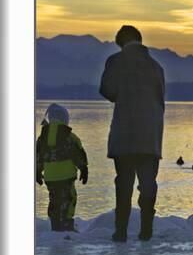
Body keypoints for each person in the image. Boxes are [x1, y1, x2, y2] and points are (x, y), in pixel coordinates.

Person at [99, 25, 165, 242]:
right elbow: (160, 103)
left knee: (124, 185)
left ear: (121, 42)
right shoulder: (156, 67)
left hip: (125, 136)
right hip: (150, 138)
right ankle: (146, 230)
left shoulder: (115, 62)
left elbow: (107, 90)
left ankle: (121, 232)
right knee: (148, 184)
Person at [36, 103, 89, 231]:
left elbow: (39, 156)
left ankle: (55, 225)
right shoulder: (70, 137)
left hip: (50, 177)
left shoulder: (42, 138)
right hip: (67, 176)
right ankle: (67, 225)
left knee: (54, 200)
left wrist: (37, 172)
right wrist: (84, 169)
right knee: (69, 200)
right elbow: (79, 155)